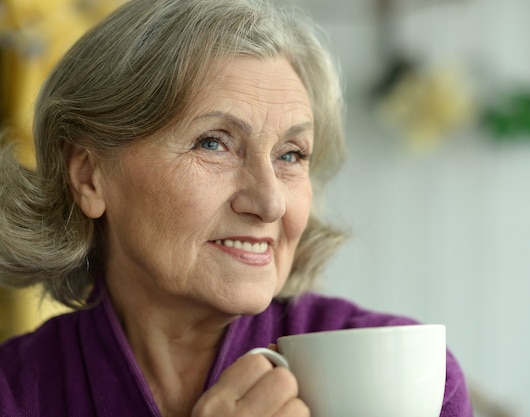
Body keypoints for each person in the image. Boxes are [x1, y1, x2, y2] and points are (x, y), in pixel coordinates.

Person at [0, 0, 474, 416]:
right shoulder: (12, 392)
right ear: (88, 176)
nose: (269, 202)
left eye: (291, 154)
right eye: (214, 143)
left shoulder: (406, 371)